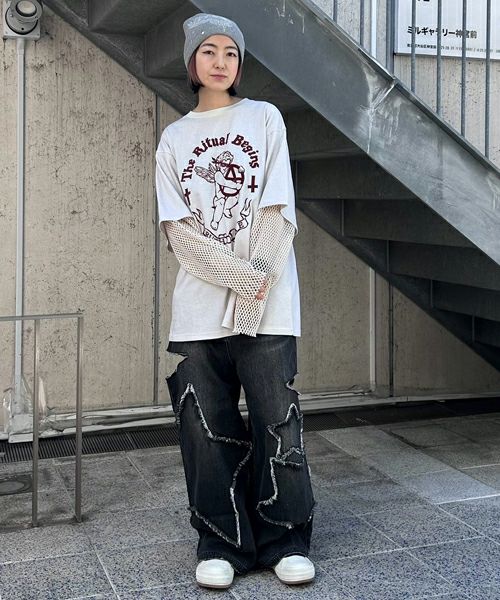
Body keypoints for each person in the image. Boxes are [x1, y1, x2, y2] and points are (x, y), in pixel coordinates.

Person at [155, 13, 316, 590]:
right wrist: (244, 283)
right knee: (206, 429)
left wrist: (256, 288)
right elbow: (181, 234)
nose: (220, 61)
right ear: (192, 62)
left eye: (230, 52)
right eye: (209, 51)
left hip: (270, 306)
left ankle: (285, 538)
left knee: (278, 421)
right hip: (200, 311)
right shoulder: (174, 139)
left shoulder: (264, 117)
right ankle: (220, 542)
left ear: (240, 64)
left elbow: (277, 212)